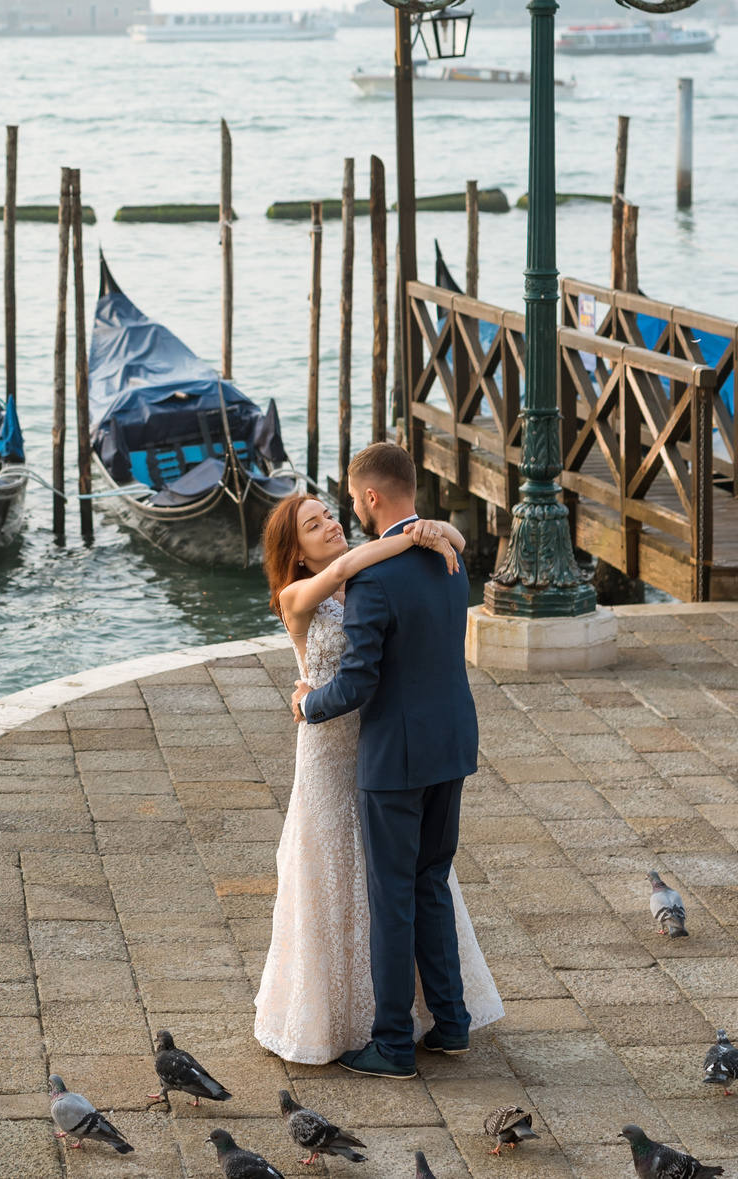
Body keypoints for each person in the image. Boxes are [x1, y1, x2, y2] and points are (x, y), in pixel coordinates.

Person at [282, 441, 491, 1077]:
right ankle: (451, 1024)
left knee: (393, 897)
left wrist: (308, 705)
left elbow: (359, 684)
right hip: (451, 741)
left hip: (395, 758)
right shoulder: (448, 557)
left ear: (371, 497)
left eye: (348, 501)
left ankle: (395, 1044)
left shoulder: (375, 578)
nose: (345, 513)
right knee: (431, 883)